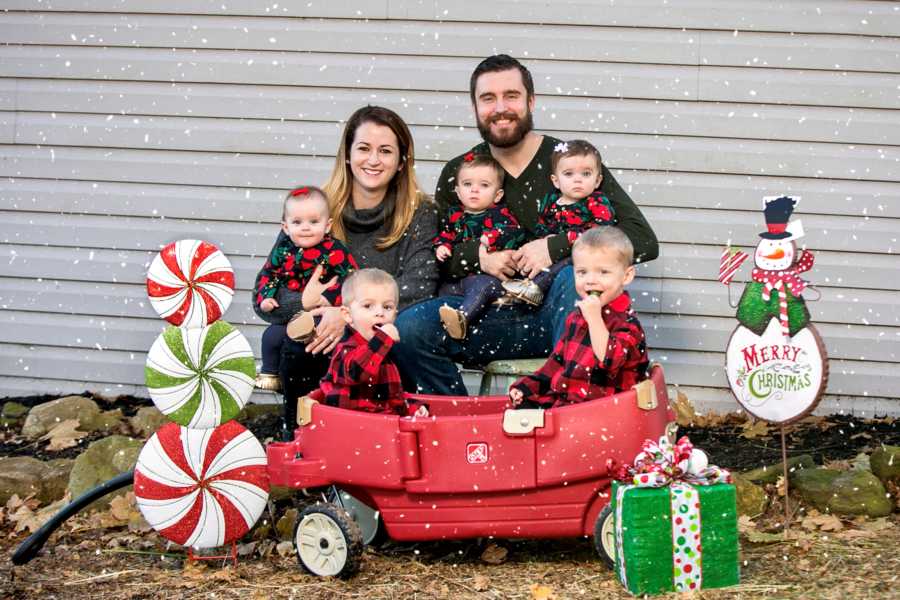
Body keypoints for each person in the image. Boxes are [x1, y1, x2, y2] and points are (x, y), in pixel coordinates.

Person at [394, 54, 658, 396]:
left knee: (570, 274)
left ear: (531, 101)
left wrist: (555, 247)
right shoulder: (463, 171)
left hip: (563, 314)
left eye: (511, 96)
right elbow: (437, 255)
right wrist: (480, 259)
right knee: (410, 329)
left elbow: (642, 239)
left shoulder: (571, 163)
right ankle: (459, 427)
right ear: (474, 107)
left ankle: (569, 416)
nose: (500, 107)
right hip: (485, 315)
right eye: (488, 98)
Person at [252, 105, 438, 438]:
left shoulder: (419, 212)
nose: (374, 160)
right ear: (348, 156)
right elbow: (266, 294)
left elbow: (420, 286)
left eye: (385, 151)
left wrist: (350, 313)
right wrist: (309, 307)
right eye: (364, 148)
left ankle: (369, 444)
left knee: (384, 346)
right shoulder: (313, 210)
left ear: (401, 161)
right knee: (300, 342)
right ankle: (301, 440)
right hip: (321, 333)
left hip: (381, 334)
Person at [509, 227, 649, 408]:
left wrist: (595, 319)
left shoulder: (627, 323)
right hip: (568, 407)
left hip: (606, 414)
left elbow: (609, 360)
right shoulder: (576, 317)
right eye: (582, 272)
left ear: (626, 276)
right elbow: (556, 363)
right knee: (517, 414)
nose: (590, 280)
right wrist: (527, 387)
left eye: (603, 272)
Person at [253, 186, 357, 391]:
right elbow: (270, 274)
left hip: (323, 312)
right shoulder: (284, 250)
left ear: (327, 226)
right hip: (293, 314)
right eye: (297, 222)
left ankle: (326, 386)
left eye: (314, 222)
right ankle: (271, 375)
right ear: (285, 227)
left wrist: (329, 296)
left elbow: (351, 277)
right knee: (271, 337)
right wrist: (267, 297)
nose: (305, 228)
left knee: (312, 345)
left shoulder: (334, 250)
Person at [502, 139, 616, 306]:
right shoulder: (553, 201)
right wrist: (545, 238)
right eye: (569, 174)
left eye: (586, 174)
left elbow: (603, 229)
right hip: (551, 253)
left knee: (567, 263)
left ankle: (535, 288)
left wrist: (564, 240)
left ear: (597, 180)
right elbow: (541, 225)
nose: (578, 180)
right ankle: (518, 291)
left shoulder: (595, 201)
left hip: (581, 253)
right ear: (556, 181)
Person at [433, 153, 527, 339]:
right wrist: (442, 246)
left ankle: (462, 319)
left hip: (487, 278)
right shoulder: (453, 216)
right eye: (468, 184)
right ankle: (445, 317)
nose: (474, 190)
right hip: (458, 280)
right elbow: (445, 235)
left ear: (497, 194)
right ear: (458, 191)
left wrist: (493, 238)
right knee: (440, 291)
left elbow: (516, 234)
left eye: (484, 185)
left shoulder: (499, 215)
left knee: (482, 287)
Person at [319, 269, 426, 416]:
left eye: (387, 307)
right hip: (351, 427)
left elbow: (391, 397)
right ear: (348, 315)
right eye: (368, 306)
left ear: (395, 314)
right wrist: (383, 339)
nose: (380, 313)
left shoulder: (383, 351)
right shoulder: (346, 349)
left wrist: (412, 408)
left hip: (379, 427)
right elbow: (358, 372)